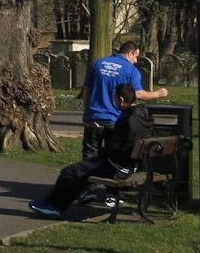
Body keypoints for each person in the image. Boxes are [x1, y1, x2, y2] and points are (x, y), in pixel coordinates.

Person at [31, 83, 153, 217]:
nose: (113, 101)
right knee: (81, 173)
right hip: (131, 166)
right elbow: (124, 136)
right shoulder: (143, 115)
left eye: (114, 98)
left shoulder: (126, 118)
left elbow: (115, 146)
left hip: (117, 168)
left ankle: (53, 205)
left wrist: (100, 153)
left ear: (121, 100)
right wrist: (102, 130)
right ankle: (58, 206)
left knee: (70, 171)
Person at [81, 40, 167, 160]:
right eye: (136, 56)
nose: (136, 61)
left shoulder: (98, 63)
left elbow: (87, 89)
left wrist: (86, 111)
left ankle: (86, 177)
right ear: (130, 53)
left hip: (93, 115)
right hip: (114, 117)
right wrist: (158, 93)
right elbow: (138, 94)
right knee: (112, 154)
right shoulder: (131, 71)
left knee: (90, 154)